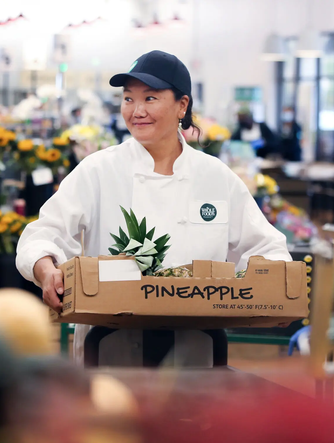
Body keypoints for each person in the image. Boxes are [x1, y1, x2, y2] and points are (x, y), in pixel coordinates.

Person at [16, 50, 292, 366]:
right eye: (129, 99)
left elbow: (267, 247)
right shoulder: (99, 170)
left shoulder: (215, 177)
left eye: (150, 99)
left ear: (182, 106)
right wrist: (46, 267)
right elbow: (43, 232)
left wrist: (275, 293)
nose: (136, 111)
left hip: (194, 355)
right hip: (108, 350)